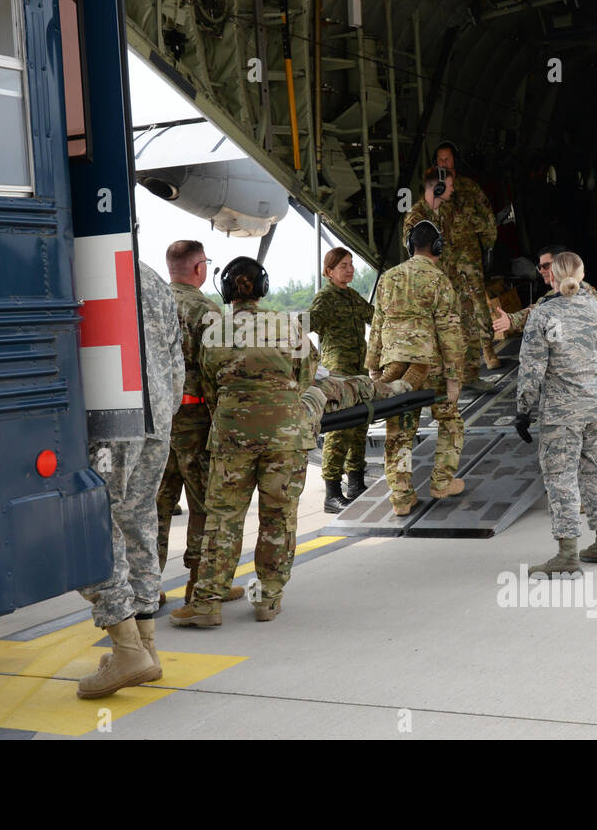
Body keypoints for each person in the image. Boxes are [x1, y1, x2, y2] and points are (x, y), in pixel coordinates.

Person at [170, 257, 317, 626]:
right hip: (285, 438)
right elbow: (304, 378)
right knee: (278, 518)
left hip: (232, 437)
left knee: (223, 518)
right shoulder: (291, 324)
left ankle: (206, 604)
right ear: (262, 287)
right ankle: (268, 599)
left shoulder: (215, 332)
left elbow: (209, 387)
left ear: (225, 290)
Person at [76, 262, 185, 698]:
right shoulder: (150, 275)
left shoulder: (81, 263)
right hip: (156, 415)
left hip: (109, 415)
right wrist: (163, 409)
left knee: (91, 526)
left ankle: (125, 649)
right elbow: (176, 360)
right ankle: (147, 649)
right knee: (139, 523)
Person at [514, 252, 597, 577]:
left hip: (562, 413)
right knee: (596, 472)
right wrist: (580, 284)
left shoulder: (543, 314)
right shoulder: (596, 310)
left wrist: (523, 410)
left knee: (560, 478)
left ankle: (567, 555)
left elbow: (531, 368)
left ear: (554, 277)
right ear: (582, 274)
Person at [154, 240, 245, 605]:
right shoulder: (205, 310)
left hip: (157, 419)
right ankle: (201, 584)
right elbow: (221, 369)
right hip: (195, 421)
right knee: (205, 502)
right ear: (198, 268)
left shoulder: (150, 304)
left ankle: (145, 588)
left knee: (156, 504)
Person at [366, 220, 466, 518]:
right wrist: (453, 378)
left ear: (410, 246)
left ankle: (401, 495)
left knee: (399, 432)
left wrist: (373, 368)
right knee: (450, 421)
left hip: (393, 367)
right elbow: (449, 332)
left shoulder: (388, 278)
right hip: (430, 364)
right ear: (438, 247)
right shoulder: (438, 281)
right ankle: (442, 482)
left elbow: (377, 325)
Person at [403, 167, 498, 394]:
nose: (454, 189)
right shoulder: (416, 217)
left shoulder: (447, 211)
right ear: (438, 188)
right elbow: (414, 256)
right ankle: (431, 387)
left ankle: (471, 375)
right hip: (434, 290)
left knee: (470, 328)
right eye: (450, 186)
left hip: (456, 284)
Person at [308, 247, 374, 513]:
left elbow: (375, 317)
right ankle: (332, 493)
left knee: (360, 425)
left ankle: (356, 482)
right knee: (339, 430)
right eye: (343, 265)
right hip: (338, 375)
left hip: (359, 371)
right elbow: (307, 324)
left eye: (351, 264)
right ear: (329, 271)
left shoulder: (351, 296)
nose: (350, 269)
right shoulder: (325, 298)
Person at [435, 142, 504, 373]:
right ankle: (459, 356)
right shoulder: (434, 191)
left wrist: (487, 243)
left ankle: (488, 348)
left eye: (447, 159)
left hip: (469, 256)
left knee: (478, 304)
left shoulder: (469, 188)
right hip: (446, 260)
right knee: (451, 307)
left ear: (455, 160)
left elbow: (487, 217)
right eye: (440, 160)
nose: (444, 163)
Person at [493, 245, 597, 336]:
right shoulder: (552, 295)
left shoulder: (584, 290)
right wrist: (511, 320)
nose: (541, 271)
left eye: (546, 266)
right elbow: (537, 310)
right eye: (539, 266)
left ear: (561, 263)